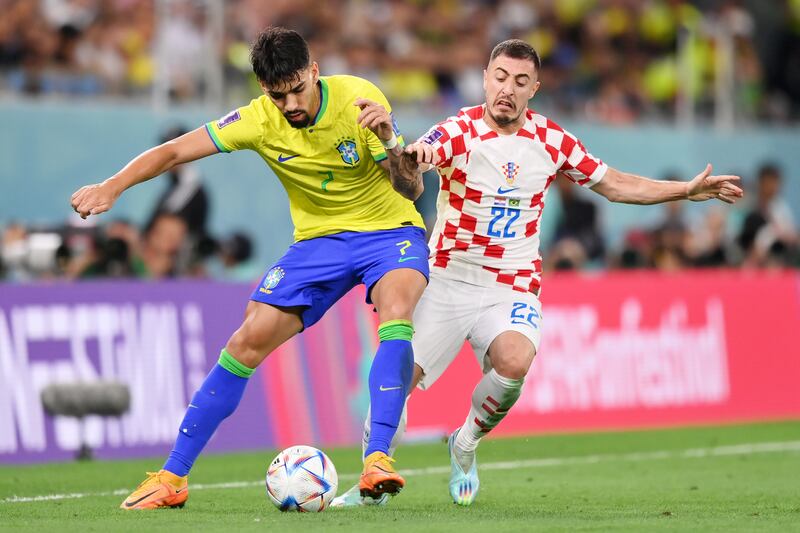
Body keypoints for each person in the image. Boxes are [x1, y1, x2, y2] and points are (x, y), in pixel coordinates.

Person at [332, 39, 743, 508]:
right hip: (447, 275)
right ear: (486, 78)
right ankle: (371, 485)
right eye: (501, 77)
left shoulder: (552, 141)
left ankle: (464, 442)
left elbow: (615, 184)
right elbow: (409, 181)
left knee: (514, 362)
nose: (508, 89)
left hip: (511, 283)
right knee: (396, 380)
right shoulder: (456, 132)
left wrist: (685, 191)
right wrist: (399, 150)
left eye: (520, 82)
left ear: (535, 89)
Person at [70, 27, 430, 510]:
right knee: (244, 343)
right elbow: (175, 151)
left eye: (298, 90)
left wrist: (389, 140)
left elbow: (412, 190)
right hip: (318, 243)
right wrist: (113, 186)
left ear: (314, 72)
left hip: (390, 233)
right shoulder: (259, 119)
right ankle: (173, 478)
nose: (290, 105)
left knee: (396, 310)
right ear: (264, 90)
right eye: (277, 96)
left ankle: (378, 460)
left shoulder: (360, 99)